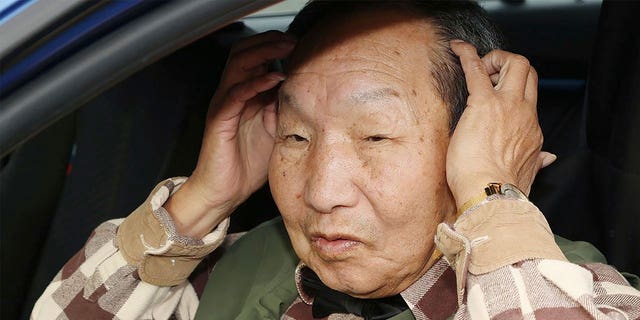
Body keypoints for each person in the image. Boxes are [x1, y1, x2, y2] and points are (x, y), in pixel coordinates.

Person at [32, 1, 640, 319]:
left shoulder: (577, 296)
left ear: (468, 142)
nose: (322, 193)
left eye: (375, 137)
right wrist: (204, 196)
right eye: (296, 137)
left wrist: (493, 196)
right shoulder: (242, 270)